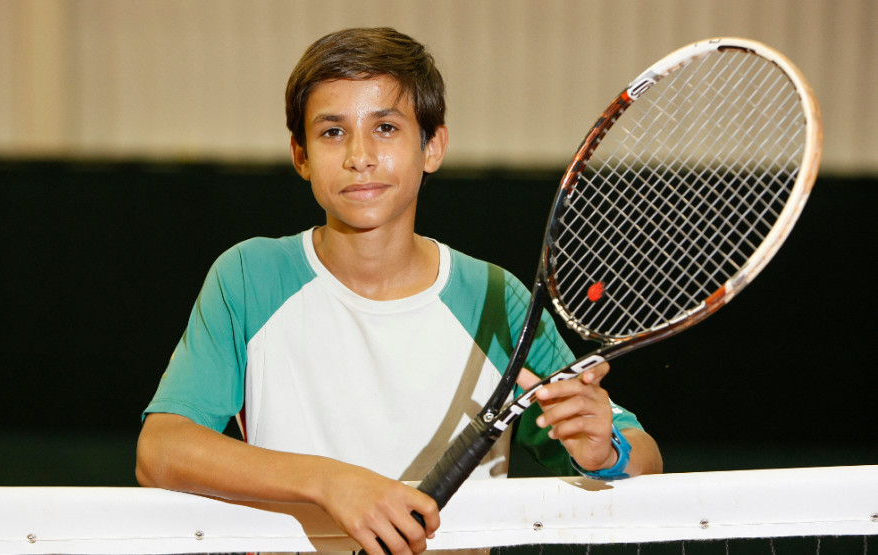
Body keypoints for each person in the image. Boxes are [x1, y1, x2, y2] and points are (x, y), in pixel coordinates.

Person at [136, 27, 663, 555]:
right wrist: (331, 482)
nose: (359, 156)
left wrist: (605, 450)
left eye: (385, 128)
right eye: (332, 133)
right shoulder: (250, 276)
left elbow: (642, 458)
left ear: (432, 146)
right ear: (301, 155)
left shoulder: (494, 298)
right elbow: (160, 451)